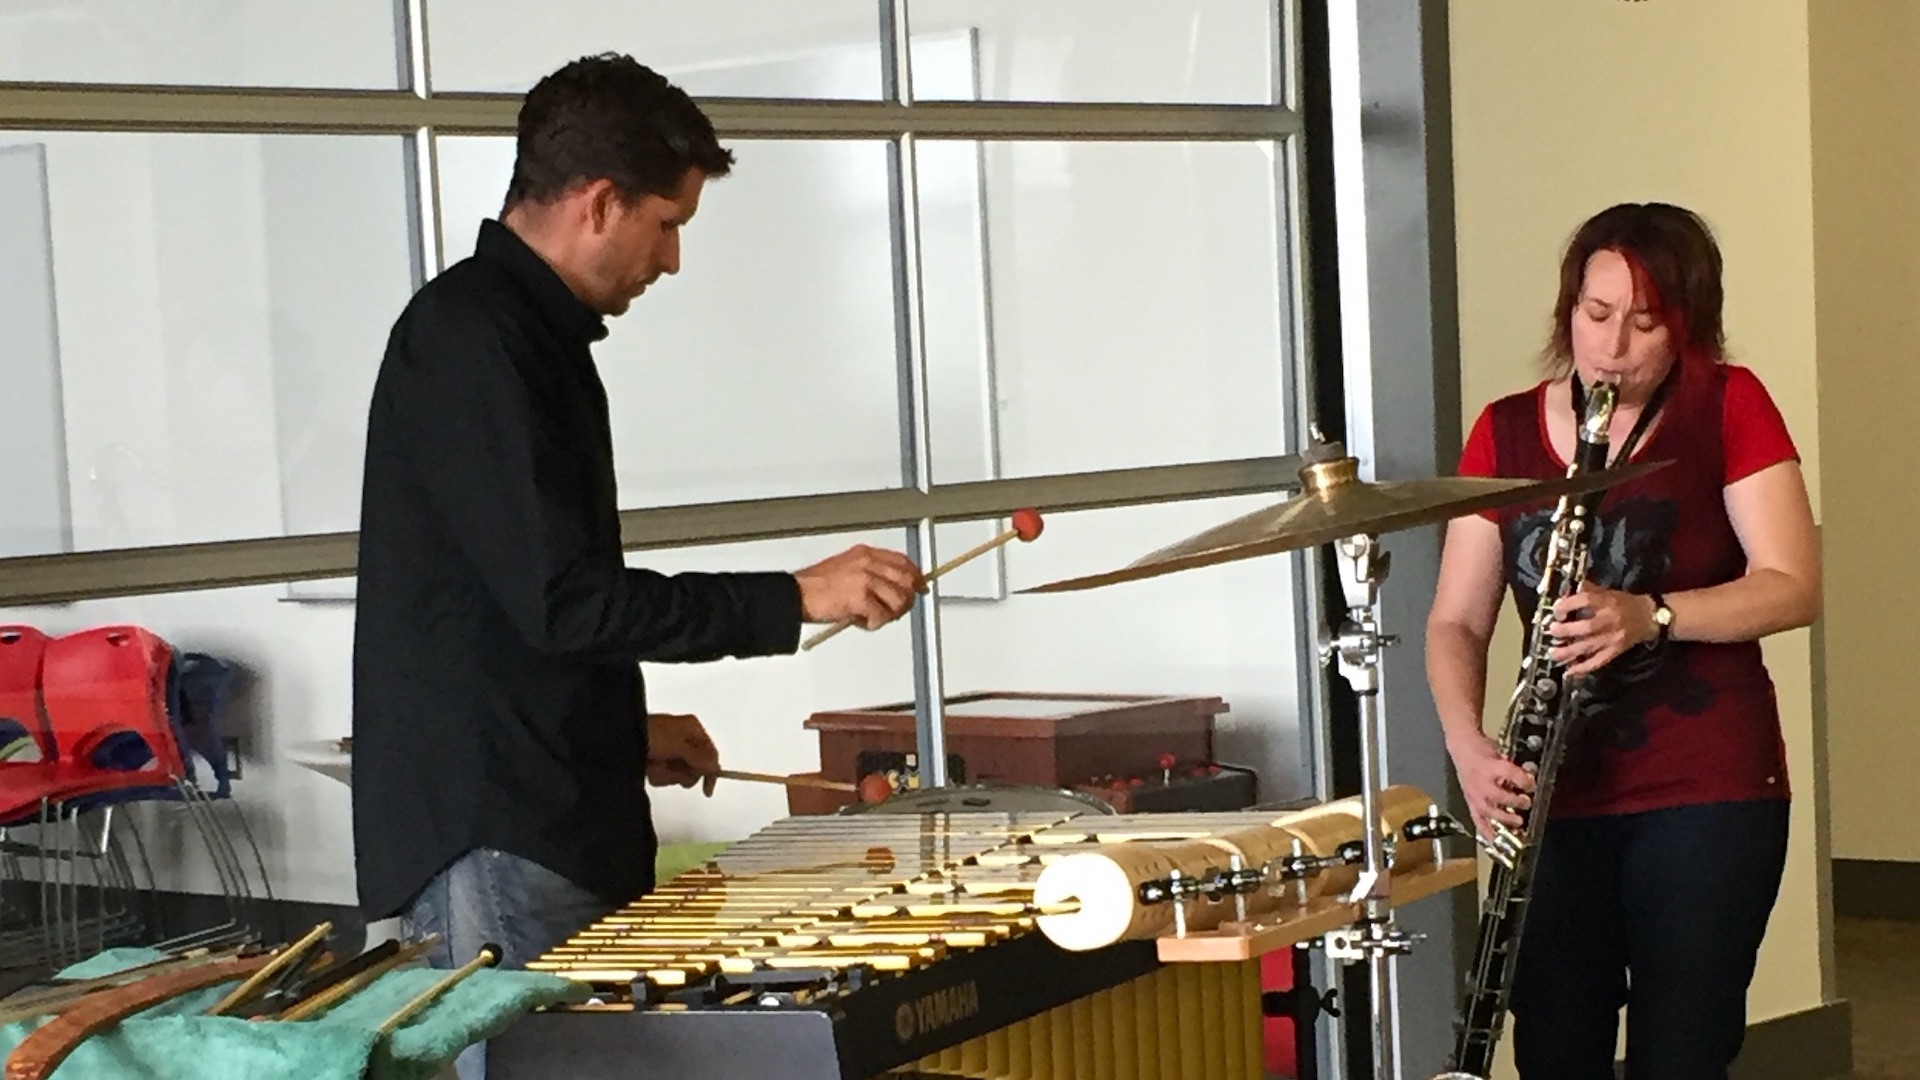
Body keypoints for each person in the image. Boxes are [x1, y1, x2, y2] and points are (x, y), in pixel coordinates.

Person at [349, 53, 923, 1078]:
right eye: (668, 226)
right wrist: (793, 598)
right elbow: (565, 603)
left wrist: (613, 731)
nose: (670, 261)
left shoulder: (532, 341)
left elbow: (502, 607)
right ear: (600, 202)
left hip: (539, 808)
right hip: (495, 841)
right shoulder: (474, 339)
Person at [1426, 202, 1821, 1079]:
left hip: (1706, 784)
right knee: (1556, 1047)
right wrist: (1466, 745)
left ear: (1689, 325)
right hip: (1553, 795)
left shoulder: (1728, 402)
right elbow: (1457, 618)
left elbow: (1793, 584)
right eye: (1594, 316)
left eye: (1645, 325)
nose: (1611, 347)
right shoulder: (1508, 429)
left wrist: (1654, 614)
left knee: (1680, 1052)